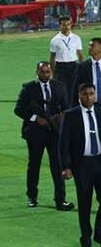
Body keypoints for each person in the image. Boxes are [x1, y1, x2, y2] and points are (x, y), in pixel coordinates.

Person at [59, 83, 101, 247]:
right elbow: (63, 143)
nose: (88, 97)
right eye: (85, 94)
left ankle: (100, 234)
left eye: (91, 94)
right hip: (82, 165)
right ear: (79, 95)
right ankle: (86, 239)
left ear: (95, 95)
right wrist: (66, 166)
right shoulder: (70, 115)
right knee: (85, 203)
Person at [13, 61, 74, 211]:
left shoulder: (59, 86)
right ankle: (32, 198)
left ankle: (60, 200)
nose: (45, 74)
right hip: (35, 133)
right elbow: (19, 109)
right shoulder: (28, 88)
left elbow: (66, 108)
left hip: (54, 132)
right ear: (37, 72)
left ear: (51, 72)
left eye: (47, 72)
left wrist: (61, 117)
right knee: (34, 166)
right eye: (42, 72)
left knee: (57, 166)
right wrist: (35, 118)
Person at [49, 16, 83, 104]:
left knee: (74, 88)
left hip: (73, 66)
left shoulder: (76, 38)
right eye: (64, 25)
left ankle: (74, 107)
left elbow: (80, 54)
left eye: (68, 24)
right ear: (60, 26)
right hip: (61, 67)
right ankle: (64, 108)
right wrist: (52, 71)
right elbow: (52, 57)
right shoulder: (55, 40)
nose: (66, 27)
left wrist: (82, 68)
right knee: (62, 89)